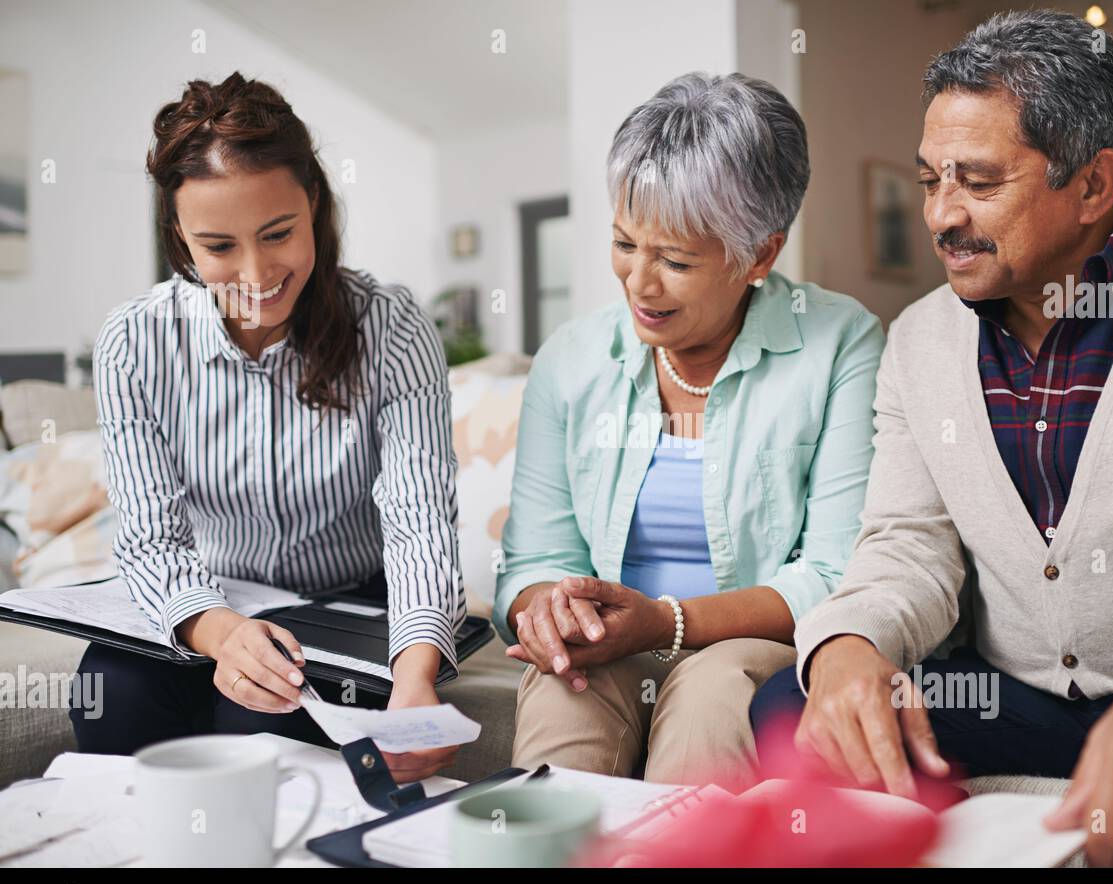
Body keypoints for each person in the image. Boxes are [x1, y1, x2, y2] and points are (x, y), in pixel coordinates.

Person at [752, 10, 1113, 866]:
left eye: (976, 180)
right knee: (794, 702)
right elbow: (907, 545)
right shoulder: (920, 339)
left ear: (1092, 185)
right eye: (930, 178)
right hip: (1022, 704)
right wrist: (851, 644)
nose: (940, 214)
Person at [71, 72, 466, 784]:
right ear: (180, 238)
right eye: (218, 246)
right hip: (208, 601)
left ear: (313, 202)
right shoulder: (134, 340)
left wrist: (415, 679)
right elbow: (150, 539)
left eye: (278, 233)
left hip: (346, 602)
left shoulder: (393, 326)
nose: (255, 274)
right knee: (111, 699)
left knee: (265, 714)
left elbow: (418, 524)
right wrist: (223, 633)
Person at [494, 72, 884, 789]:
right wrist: (544, 607)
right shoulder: (573, 360)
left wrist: (666, 621)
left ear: (760, 255)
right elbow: (533, 559)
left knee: (711, 696)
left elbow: (836, 576)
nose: (639, 283)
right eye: (623, 243)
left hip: (747, 643)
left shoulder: (839, 344)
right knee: (561, 697)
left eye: (675, 260)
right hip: (611, 642)